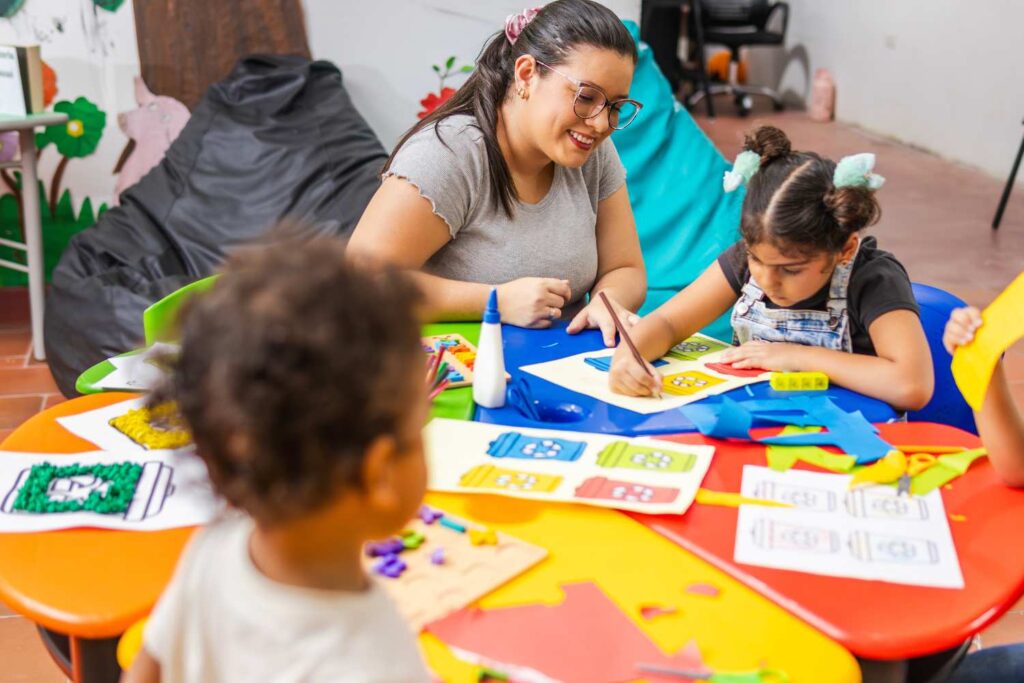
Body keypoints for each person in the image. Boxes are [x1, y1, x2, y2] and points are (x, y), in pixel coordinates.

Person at [122, 234, 430, 682]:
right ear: (379, 472)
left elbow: (146, 671)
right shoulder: (377, 660)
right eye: (420, 426)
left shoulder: (215, 549)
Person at [348, 0, 647, 346]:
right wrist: (495, 301)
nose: (598, 123)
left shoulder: (592, 151)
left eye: (614, 106)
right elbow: (361, 283)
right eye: (586, 96)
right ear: (526, 75)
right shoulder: (450, 153)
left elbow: (626, 269)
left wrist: (608, 302)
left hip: (561, 373)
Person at [609, 125, 933, 412]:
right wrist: (629, 355)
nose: (767, 281)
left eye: (791, 270)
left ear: (845, 249)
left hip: (852, 441)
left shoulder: (873, 280)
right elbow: (668, 321)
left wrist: (796, 357)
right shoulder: (747, 260)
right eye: (756, 259)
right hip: (756, 422)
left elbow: (912, 385)